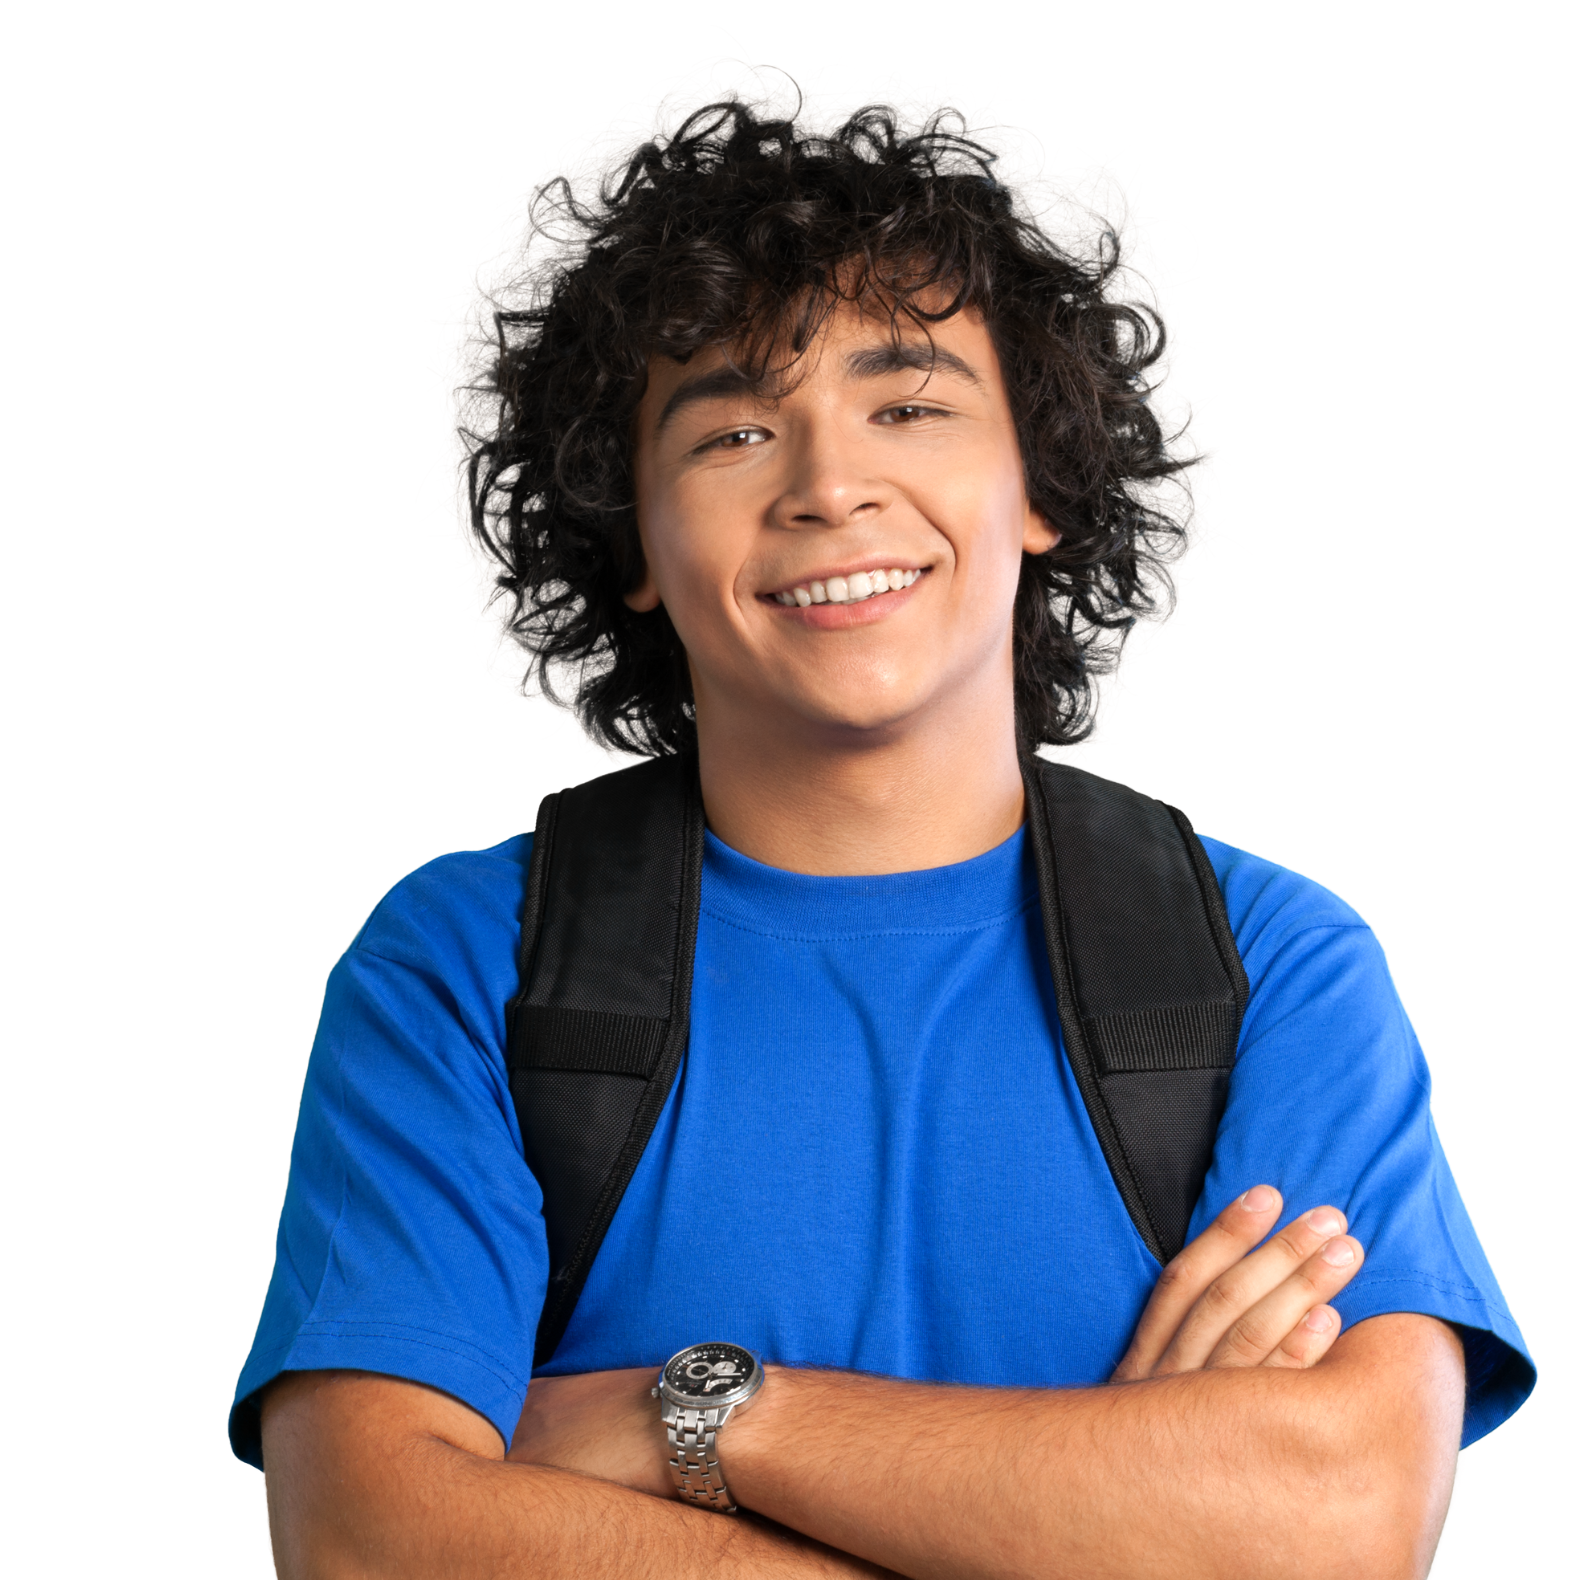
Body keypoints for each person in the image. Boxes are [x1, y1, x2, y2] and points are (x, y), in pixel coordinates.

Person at [231, 63, 1536, 1578]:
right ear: (631, 537)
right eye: (732, 434)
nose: (830, 486)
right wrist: (1111, 1518)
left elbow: (1344, 1522)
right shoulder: (466, 964)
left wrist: (697, 1419)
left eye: (909, 405)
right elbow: (367, 1537)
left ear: (1042, 484)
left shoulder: (1273, 963)